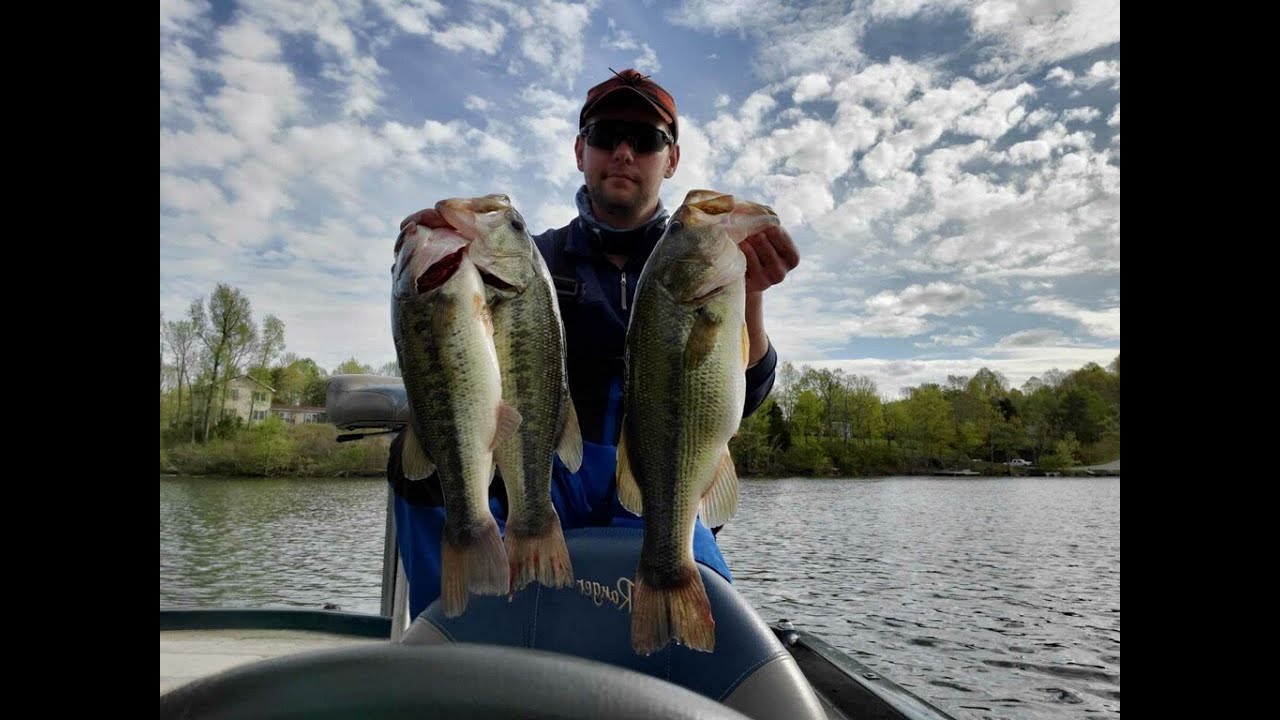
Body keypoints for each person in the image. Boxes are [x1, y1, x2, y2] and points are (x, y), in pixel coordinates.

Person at [391, 68, 800, 619]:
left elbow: (740, 399)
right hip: (543, 471)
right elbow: (447, 355)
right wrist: (431, 259)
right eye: (607, 135)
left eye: (647, 139)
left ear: (671, 159)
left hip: (653, 483)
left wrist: (750, 295)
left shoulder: (704, 257)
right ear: (581, 150)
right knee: (413, 471)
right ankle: (450, 636)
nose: (624, 153)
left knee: (702, 582)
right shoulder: (529, 259)